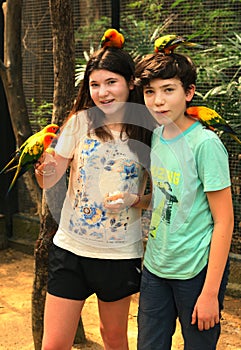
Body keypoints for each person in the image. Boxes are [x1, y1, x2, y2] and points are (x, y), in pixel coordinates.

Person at [34, 45, 155, 350]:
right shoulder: (79, 122)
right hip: (70, 250)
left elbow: (159, 196)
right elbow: (49, 179)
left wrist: (134, 199)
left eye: (111, 82)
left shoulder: (148, 131)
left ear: (130, 82)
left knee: (113, 338)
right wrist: (44, 168)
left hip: (118, 255)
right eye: (95, 84)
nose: (103, 92)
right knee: (54, 344)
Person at [134, 52, 234, 349]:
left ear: (189, 92)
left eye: (168, 90)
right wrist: (135, 199)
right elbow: (170, 197)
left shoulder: (206, 144)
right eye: (150, 92)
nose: (158, 101)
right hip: (156, 266)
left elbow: (224, 220)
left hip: (196, 271)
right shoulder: (156, 136)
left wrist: (210, 293)